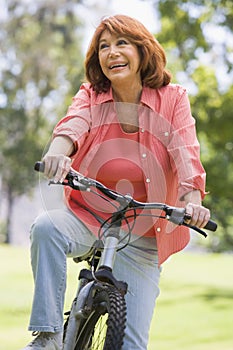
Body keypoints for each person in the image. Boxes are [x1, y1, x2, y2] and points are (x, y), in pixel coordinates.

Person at [22, 14, 211, 350]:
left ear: (142, 50)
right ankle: (49, 335)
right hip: (88, 216)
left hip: (143, 232)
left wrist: (192, 201)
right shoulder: (92, 95)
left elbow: (186, 154)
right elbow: (72, 124)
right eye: (103, 47)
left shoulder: (173, 98)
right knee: (46, 227)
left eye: (121, 43)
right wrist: (57, 154)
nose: (111, 52)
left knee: (131, 344)